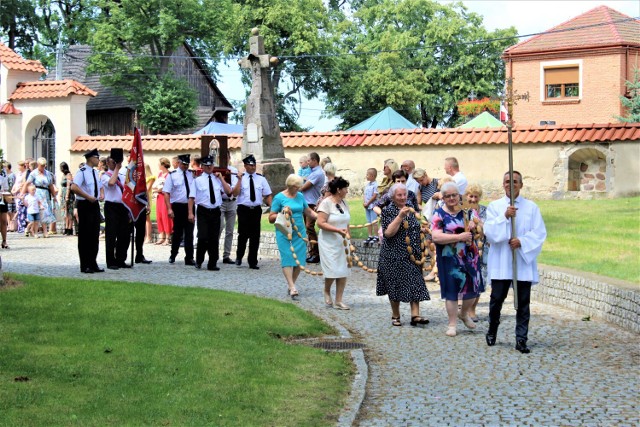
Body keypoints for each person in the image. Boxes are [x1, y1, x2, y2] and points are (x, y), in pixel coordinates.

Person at [484, 171, 546, 354]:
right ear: (502, 184)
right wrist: (504, 217)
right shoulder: (495, 207)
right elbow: (490, 232)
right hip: (502, 261)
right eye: (507, 182)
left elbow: (539, 232)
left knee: (523, 302)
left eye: (515, 182)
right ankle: (492, 330)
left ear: (521, 184)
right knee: (496, 300)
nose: (511, 185)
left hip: (521, 261)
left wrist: (522, 241)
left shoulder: (531, 208)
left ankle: (521, 339)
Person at [430, 182, 483, 337]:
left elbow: (482, 229)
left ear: (459, 195)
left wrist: (476, 224)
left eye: (454, 195)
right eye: (448, 196)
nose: (452, 198)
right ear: (443, 198)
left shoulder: (468, 211)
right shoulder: (439, 214)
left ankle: (464, 313)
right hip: (449, 259)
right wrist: (459, 236)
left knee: (473, 291)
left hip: (470, 257)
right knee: (452, 291)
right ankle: (452, 323)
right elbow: (435, 236)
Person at [376, 183, 430, 327]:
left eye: (404, 194)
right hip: (393, 255)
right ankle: (396, 315)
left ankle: (415, 315)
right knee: (394, 285)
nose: (402, 197)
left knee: (415, 282)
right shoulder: (388, 211)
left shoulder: (412, 210)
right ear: (393, 196)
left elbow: (414, 227)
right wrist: (400, 216)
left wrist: (422, 230)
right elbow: (388, 233)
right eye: (399, 195)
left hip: (412, 254)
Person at [269, 174, 317, 299]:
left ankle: (291, 285)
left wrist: (322, 218)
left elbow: (308, 212)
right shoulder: (279, 198)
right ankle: (292, 286)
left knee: (299, 261)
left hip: (299, 232)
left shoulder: (300, 196)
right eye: (297, 187)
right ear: (291, 186)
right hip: (284, 232)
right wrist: (283, 212)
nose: (299, 189)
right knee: (287, 258)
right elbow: (271, 217)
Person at [188, 155, 232, 271]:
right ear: (202, 166)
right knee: (202, 237)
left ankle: (212, 263)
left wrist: (222, 179)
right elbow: (191, 198)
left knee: (213, 238)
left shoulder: (217, 179)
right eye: (206, 165)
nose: (209, 167)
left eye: (211, 165)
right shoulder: (197, 180)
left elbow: (228, 192)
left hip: (215, 211)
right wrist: (190, 213)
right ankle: (199, 260)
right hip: (203, 210)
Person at [317, 177, 352, 309]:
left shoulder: (344, 203)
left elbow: (346, 222)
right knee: (332, 269)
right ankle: (326, 290)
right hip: (329, 241)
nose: (347, 191)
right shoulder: (326, 203)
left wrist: (349, 239)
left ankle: (339, 300)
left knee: (343, 270)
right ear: (338, 190)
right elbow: (320, 223)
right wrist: (337, 230)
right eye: (345, 188)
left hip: (342, 241)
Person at [233, 154, 272, 269]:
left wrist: (273, 209)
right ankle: (239, 256)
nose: (253, 167)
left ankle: (252, 261)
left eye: (254, 165)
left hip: (256, 209)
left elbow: (267, 194)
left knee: (255, 236)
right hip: (243, 209)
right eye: (250, 165)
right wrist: (239, 180)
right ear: (245, 166)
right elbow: (234, 193)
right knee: (243, 234)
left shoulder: (261, 179)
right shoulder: (240, 178)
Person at [70, 149, 104, 274]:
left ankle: (93, 262)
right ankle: (85, 265)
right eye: (96, 157)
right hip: (85, 204)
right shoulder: (82, 172)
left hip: (94, 204)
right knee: (85, 235)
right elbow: (74, 187)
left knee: (94, 235)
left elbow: (99, 186)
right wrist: (87, 196)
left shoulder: (95, 172)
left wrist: (100, 194)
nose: (98, 160)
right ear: (90, 158)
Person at [163, 154, 195, 265]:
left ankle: (189, 257)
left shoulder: (192, 174)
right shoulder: (172, 175)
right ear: (179, 163)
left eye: (187, 164)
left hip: (189, 206)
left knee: (189, 233)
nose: (185, 167)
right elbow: (166, 192)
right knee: (177, 232)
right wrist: (169, 209)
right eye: (183, 164)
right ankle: (173, 254)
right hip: (178, 206)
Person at [101, 153, 131, 270]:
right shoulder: (105, 176)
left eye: (117, 162)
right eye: (114, 162)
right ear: (108, 163)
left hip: (122, 207)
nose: (116, 164)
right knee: (111, 235)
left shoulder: (123, 176)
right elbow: (111, 183)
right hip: (111, 207)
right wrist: (117, 169)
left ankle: (121, 259)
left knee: (124, 235)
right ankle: (111, 261)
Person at [465, 183, 488, 322]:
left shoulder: (485, 210)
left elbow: (489, 228)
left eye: (476, 196)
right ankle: (466, 308)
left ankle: (473, 309)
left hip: (483, 249)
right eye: (471, 196)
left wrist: (478, 223)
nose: (473, 199)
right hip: (467, 249)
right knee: (469, 278)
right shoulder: (463, 211)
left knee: (480, 280)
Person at [300, 152, 324, 263]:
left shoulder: (317, 173)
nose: (307, 162)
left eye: (309, 160)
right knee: (308, 228)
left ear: (314, 160)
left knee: (309, 227)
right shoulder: (313, 172)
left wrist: (295, 187)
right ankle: (312, 252)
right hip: (307, 202)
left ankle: (315, 253)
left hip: (312, 203)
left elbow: (304, 187)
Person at [22, 157, 56, 234]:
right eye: (41, 165)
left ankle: (44, 231)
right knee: (37, 213)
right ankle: (31, 229)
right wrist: (22, 194)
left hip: (46, 194)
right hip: (37, 193)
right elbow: (27, 183)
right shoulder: (33, 173)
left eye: (44, 165)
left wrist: (54, 196)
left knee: (45, 212)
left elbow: (51, 185)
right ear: (38, 165)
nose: (43, 167)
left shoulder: (48, 174)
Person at [219, 150, 239, 264]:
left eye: (226, 157)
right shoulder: (216, 170)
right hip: (221, 201)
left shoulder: (233, 170)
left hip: (231, 201)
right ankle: (214, 253)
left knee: (230, 230)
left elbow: (235, 186)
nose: (224, 159)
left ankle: (226, 255)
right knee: (219, 227)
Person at [153, 157, 172, 246]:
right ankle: (162, 236)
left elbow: (165, 188)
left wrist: (158, 189)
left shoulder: (169, 175)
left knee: (165, 216)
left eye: (159, 164)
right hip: (159, 197)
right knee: (159, 216)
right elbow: (156, 186)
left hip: (165, 197)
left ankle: (167, 238)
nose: (158, 165)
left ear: (163, 164)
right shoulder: (160, 174)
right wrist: (157, 189)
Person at [363, 168, 379, 245]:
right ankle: (370, 235)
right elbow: (365, 194)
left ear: (372, 176)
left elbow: (375, 196)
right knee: (368, 221)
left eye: (367, 174)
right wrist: (364, 202)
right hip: (367, 206)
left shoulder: (375, 185)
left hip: (373, 206)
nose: (366, 176)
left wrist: (368, 203)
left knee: (374, 221)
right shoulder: (367, 185)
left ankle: (376, 236)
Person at [59, 162, 75, 236]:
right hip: (63, 194)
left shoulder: (69, 175)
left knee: (69, 212)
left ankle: (70, 228)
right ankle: (66, 227)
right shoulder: (63, 175)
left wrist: (67, 195)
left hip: (68, 194)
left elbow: (69, 186)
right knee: (65, 212)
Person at [12, 160, 28, 233]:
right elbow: (16, 183)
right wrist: (13, 189)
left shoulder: (25, 173)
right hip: (16, 193)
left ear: (23, 166)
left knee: (21, 210)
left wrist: (17, 190)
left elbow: (23, 184)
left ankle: (22, 226)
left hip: (21, 193)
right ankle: (19, 226)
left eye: (19, 166)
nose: (18, 167)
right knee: (18, 208)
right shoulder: (19, 174)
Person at [144, 163, 155, 244]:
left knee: (147, 218)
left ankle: (149, 236)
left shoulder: (150, 178)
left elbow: (147, 189)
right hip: (141, 198)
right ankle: (145, 236)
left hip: (147, 198)